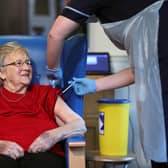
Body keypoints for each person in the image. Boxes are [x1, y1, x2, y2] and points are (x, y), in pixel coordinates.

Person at [46, 0, 168, 167]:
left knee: (162, 131)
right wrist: (95, 85)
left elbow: (55, 34)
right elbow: (138, 70)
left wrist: (52, 70)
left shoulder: (153, 27)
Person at [0, 42, 86, 168]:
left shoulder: (45, 94)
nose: (26, 68)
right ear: (2, 73)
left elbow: (79, 124)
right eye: (18, 63)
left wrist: (52, 136)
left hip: (44, 156)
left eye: (28, 63)